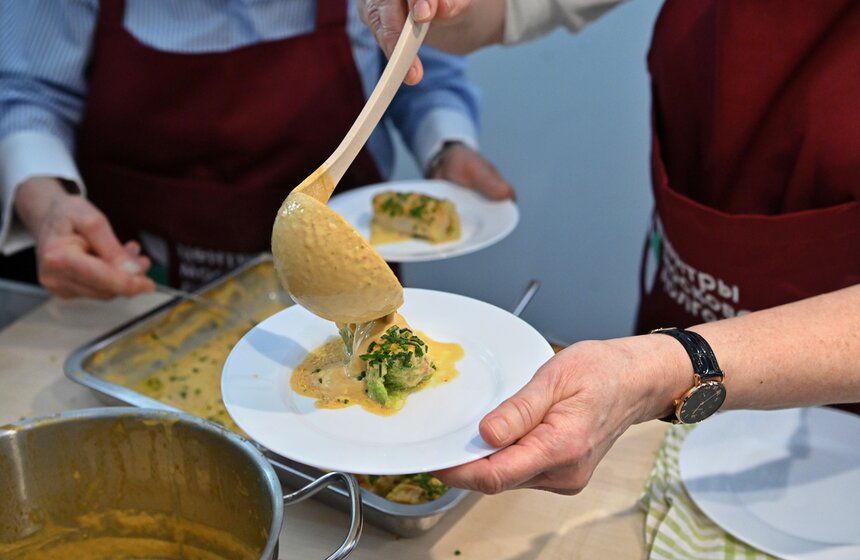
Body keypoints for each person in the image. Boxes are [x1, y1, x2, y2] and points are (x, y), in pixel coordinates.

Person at [358, 0, 860, 495]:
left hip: (835, 440)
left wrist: (665, 370)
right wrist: (434, 10)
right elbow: (496, 13)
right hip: (675, 341)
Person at [0, 0, 513, 297]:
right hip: (136, 286)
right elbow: (26, 93)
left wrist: (447, 147)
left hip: (337, 283)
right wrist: (48, 205)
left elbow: (420, 67)